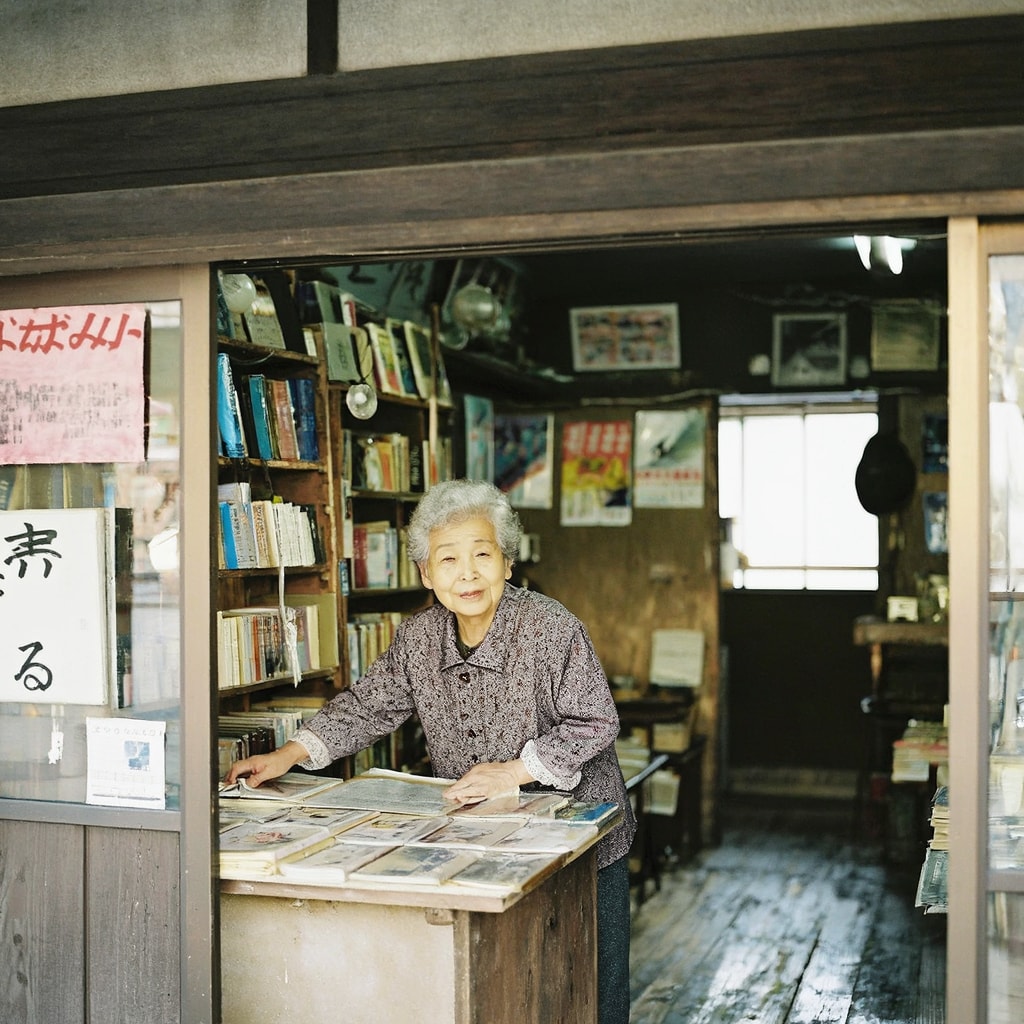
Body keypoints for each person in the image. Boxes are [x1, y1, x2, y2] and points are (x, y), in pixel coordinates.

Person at [226, 478, 636, 1024]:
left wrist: (514, 771)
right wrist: (289, 753)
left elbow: (595, 721)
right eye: (448, 559)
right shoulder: (419, 638)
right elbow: (370, 705)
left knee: (589, 987)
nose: (466, 573)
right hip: (486, 837)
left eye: (482, 554)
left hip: (579, 838)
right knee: (506, 981)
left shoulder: (550, 627)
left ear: (507, 564)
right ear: (426, 574)